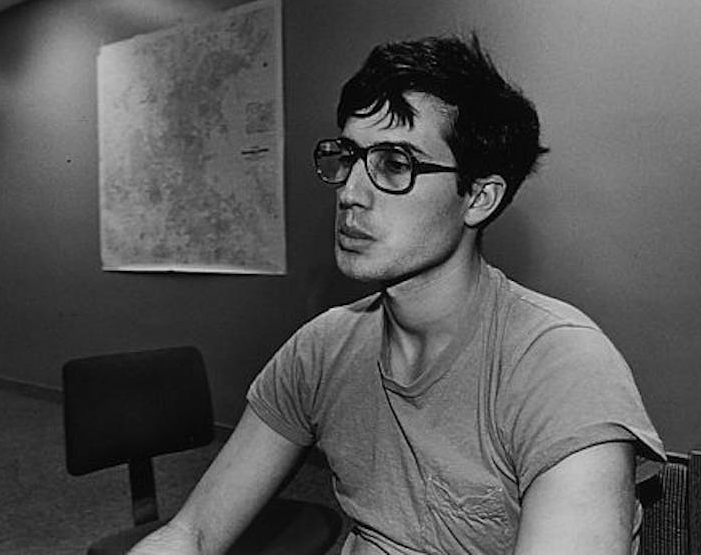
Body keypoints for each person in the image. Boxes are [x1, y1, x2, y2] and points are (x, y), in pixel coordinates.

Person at [129, 34, 664, 554]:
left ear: (478, 197)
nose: (350, 192)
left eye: (395, 164)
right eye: (348, 157)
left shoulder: (560, 364)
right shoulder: (322, 350)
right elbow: (191, 535)